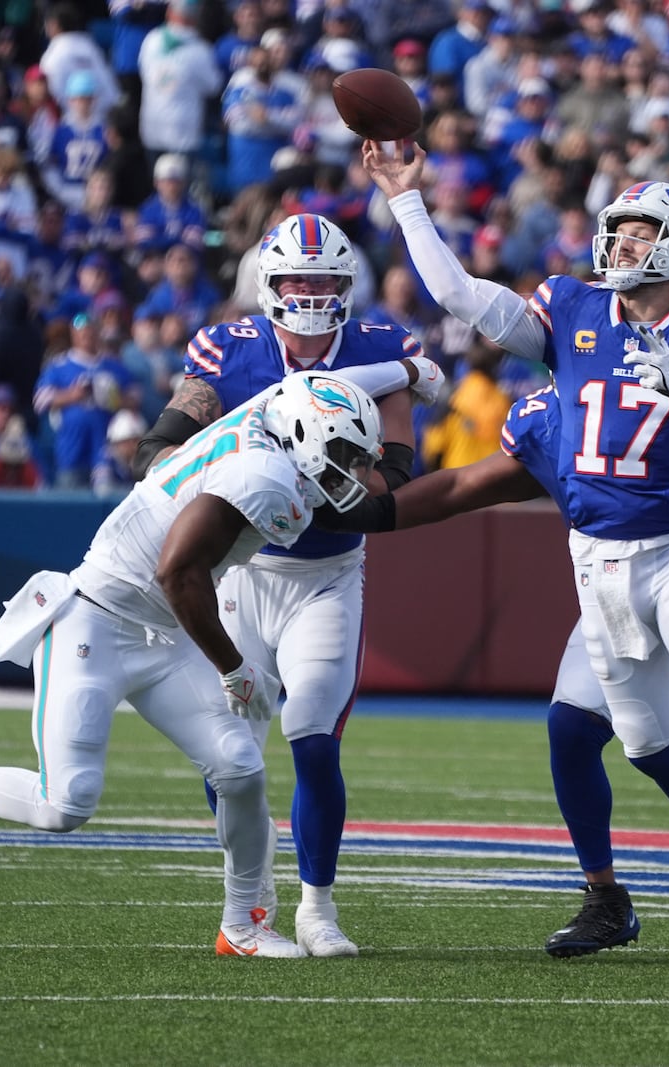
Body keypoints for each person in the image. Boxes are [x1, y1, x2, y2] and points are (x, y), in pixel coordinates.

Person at [362, 140, 669, 987]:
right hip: (599, 566)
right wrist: (407, 202)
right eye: (619, 230)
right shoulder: (571, 314)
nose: (620, 246)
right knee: (646, 740)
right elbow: (460, 297)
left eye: (642, 233)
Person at [0, 371, 388, 959]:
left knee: (240, 765)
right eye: (348, 453)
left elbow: (302, 382)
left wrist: (404, 371)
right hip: (95, 619)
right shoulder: (266, 475)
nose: (359, 472)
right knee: (64, 804)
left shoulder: (270, 425)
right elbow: (178, 572)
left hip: (163, 629)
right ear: (306, 433)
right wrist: (233, 667)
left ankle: (243, 923)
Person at [347, 382, 669, 962]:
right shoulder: (546, 418)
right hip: (619, 598)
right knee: (577, 728)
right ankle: (611, 896)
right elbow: (464, 484)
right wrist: (368, 512)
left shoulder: (653, 393)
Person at [133, 212, 443, 959]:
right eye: (297, 278)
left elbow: (392, 477)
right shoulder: (228, 348)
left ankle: (318, 906)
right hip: (241, 573)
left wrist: (337, 482)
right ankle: (249, 898)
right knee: (229, 752)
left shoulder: (380, 344)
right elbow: (161, 448)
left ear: (346, 286)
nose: (309, 291)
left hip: (325, 576)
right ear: (269, 284)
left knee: (311, 736)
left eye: (323, 279)